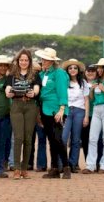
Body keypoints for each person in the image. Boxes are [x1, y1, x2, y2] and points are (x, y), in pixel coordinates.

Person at [5, 49, 40, 180]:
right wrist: (8, 92)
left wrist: (34, 93)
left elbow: (36, 87)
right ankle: (16, 168)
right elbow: (8, 88)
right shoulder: (12, 74)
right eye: (21, 60)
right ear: (18, 61)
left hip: (30, 105)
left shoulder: (35, 74)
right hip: (16, 105)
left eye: (26, 60)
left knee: (28, 138)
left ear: (29, 61)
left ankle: (25, 169)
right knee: (18, 137)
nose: (23, 62)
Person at [34, 48, 69, 179]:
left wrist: (61, 109)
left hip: (56, 109)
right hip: (44, 109)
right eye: (43, 58)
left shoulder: (59, 73)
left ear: (52, 61)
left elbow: (62, 91)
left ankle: (66, 167)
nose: (44, 61)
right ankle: (54, 168)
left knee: (58, 139)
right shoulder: (43, 74)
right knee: (51, 140)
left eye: (47, 59)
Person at [61, 59, 89, 173]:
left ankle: (73, 164)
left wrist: (86, 116)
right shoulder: (64, 82)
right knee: (63, 138)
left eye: (75, 68)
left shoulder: (83, 83)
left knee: (76, 140)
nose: (72, 70)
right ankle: (63, 163)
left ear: (78, 70)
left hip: (79, 111)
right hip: (67, 111)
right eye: (70, 68)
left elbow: (86, 100)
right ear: (67, 70)